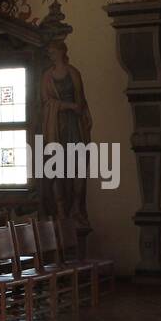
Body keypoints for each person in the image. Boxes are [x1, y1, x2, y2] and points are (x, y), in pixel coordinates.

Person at [40, 40, 92, 226]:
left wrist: (79, 111)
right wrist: (68, 105)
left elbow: (81, 100)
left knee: (78, 167)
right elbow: (47, 102)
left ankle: (77, 207)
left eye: (53, 51)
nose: (51, 54)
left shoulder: (73, 73)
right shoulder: (47, 76)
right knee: (55, 167)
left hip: (73, 125)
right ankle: (61, 209)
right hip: (55, 125)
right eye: (49, 52)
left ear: (62, 51)